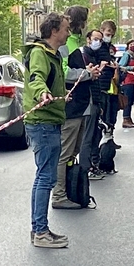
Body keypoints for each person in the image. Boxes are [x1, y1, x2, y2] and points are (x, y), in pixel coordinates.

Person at [24, 12, 71, 247]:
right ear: (53, 31)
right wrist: (42, 93)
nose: (69, 33)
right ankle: (40, 232)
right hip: (42, 122)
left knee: (44, 177)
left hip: (48, 120)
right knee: (45, 178)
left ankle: (39, 229)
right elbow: (36, 77)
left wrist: (59, 97)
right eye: (65, 29)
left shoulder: (50, 54)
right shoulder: (40, 54)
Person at [51, 11, 100, 210]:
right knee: (65, 153)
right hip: (71, 107)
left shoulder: (73, 43)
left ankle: (69, 191)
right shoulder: (67, 44)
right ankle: (59, 194)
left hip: (79, 105)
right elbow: (62, 72)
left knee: (73, 151)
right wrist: (86, 73)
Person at [81, 28, 113, 179]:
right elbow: (87, 79)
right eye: (95, 38)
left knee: (95, 135)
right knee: (87, 138)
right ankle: (86, 169)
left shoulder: (94, 54)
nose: (98, 42)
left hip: (96, 99)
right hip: (89, 101)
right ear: (88, 39)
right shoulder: (84, 55)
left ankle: (93, 164)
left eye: (100, 39)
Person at [99, 20, 121, 128]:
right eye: (108, 34)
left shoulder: (108, 47)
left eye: (112, 35)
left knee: (110, 114)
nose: (109, 37)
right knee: (103, 115)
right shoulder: (99, 46)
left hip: (108, 84)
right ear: (101, 31)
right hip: (101, 84)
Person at [118, 39, 134, 129]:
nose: (133, 45)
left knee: (131, 101)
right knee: (127, 101)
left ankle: (128, 118)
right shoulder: (126, 55)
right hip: (127, 81)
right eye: (131, 44)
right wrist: (132, 68)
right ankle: (126, 119)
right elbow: (120, 66)